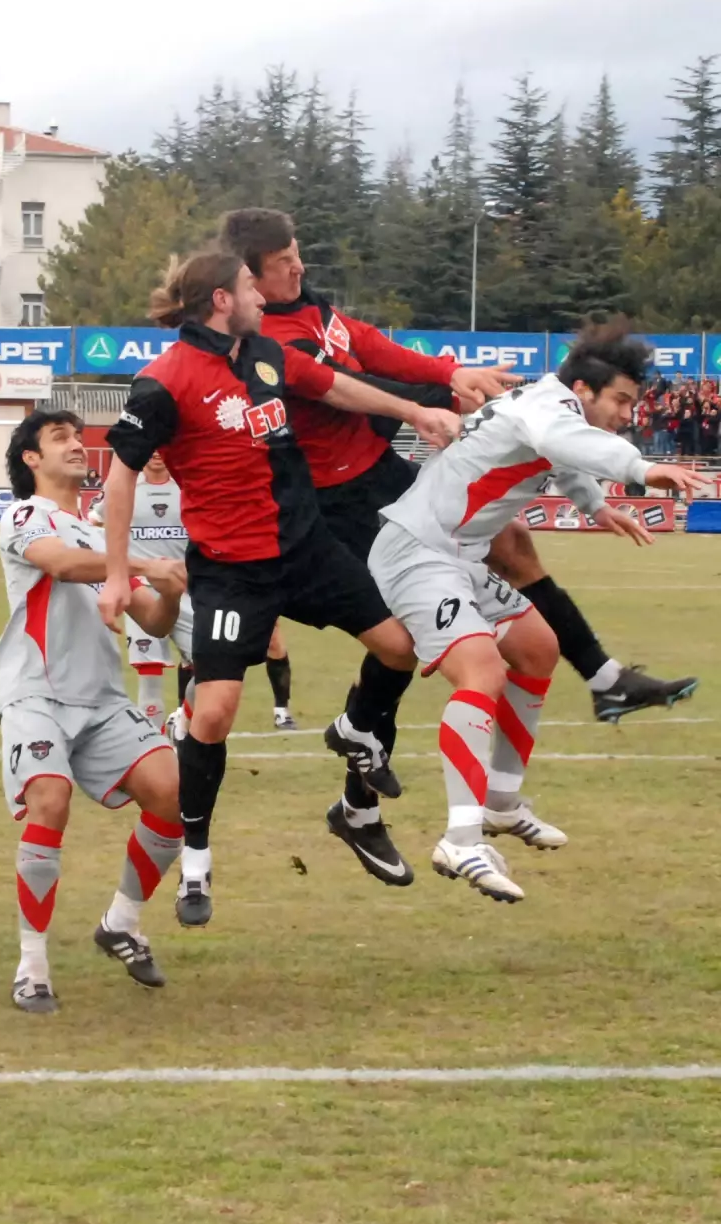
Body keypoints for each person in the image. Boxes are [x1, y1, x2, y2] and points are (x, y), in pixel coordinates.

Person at [222, 207, 699, 760]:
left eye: (297, 252)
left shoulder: (307, 304)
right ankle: (360, 737)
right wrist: (429, 403)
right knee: (401, 628)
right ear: (250, 278)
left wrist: (451, 374)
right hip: (336, 497)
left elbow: (371, 345)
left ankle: (602, 676)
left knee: (511, 540)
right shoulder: (271, 341)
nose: (299, 267)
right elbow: (346, 385)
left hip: (378, 470)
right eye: (284, 263)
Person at [100, 248, 461, 922]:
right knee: (212, 713)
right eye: (249, 288)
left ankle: (355, 764)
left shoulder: (265, 355)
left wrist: (414, 412)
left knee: (401, 647)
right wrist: (118, 572)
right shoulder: (164, 381)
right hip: (233, 571)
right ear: (219, 300)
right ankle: (197, 863)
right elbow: (121, 472)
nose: (263, 298)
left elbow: (333, 386)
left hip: (307, 551)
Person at [368, 324, 706, 902]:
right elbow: (565, 440)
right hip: (418, 552)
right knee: (482, 673)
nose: (628, 413)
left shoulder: (546, 404)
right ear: (583, 389)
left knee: (538, 648)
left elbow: (562, 453)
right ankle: (461, 837)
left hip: (457, 557)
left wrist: (597, 505)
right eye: (621, 400)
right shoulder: (548, 408)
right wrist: (641, 469)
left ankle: (501, 803)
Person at [0, 411, 188, 1014]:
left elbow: (150, 618)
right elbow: (61, 563)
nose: (78, 445)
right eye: (60, 439)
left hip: (102, 699)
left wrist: (174, 586)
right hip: (36, 694)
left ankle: (121, 921)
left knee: (176, 794)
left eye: (79, 438)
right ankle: (31, 966)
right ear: (31, 459)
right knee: (50, 799)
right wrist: (144, 565)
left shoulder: (104, 532)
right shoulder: (27, 516)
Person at [89, 451, 193, 734]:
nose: (158, 452)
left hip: (188, 591)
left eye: (163, 445)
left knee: (211, 668)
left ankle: (182, 722)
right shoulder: (124, 486)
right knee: (150, 675)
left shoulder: (187, 484)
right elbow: (92, 522)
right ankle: (153, 745)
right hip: (142, 593)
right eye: (152, 446)